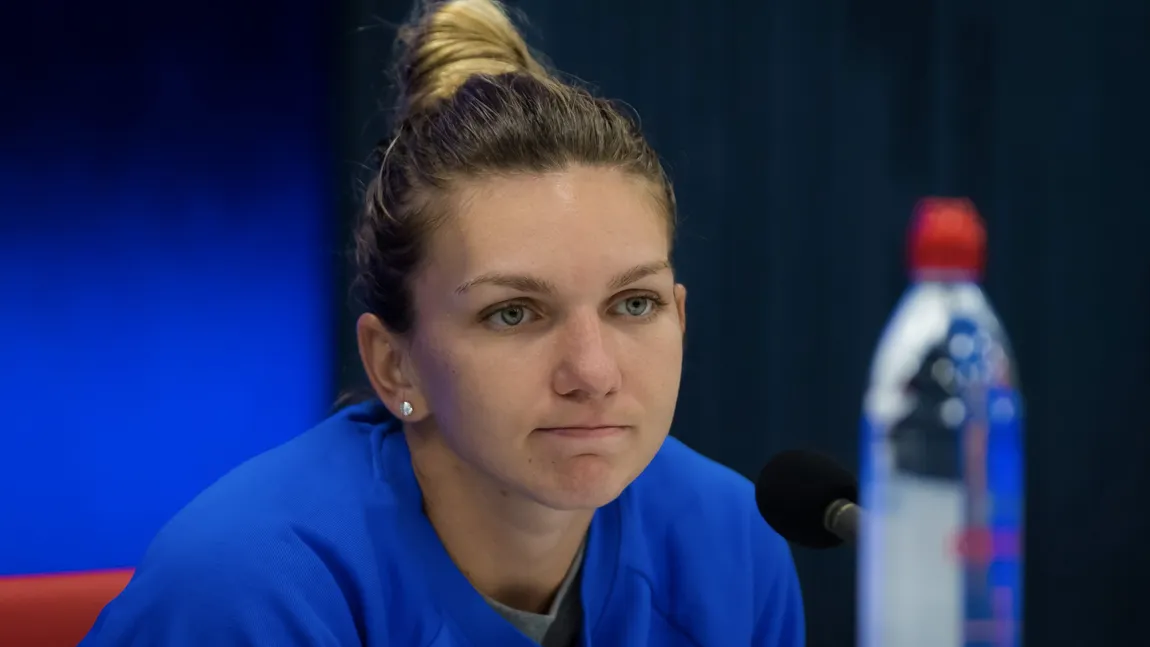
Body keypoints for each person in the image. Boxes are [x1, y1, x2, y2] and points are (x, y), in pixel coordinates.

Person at [79, 0, 805, 645]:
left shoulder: (734, 546)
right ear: (396, 364)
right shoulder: (244, 592)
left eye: (633, 304)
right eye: (513, 312)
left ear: (679, 316)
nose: (593, 371)